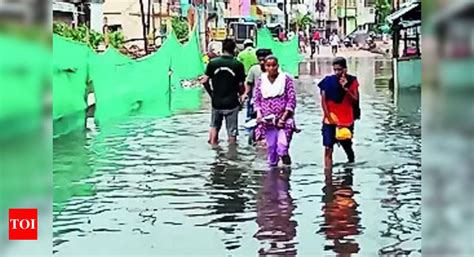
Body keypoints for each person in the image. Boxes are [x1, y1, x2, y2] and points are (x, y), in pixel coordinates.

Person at [254, 56, 299, 166]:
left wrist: (283, 118)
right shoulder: (261, 80)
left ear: (277, 66)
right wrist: (259, 114)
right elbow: (257, 99)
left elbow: (291, 99)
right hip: (267, 122)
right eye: (268, 66)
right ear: (265, 67)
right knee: (271, 149)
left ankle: (287, 169)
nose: (271, 68)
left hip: (283, 120)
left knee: (282, 146)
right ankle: (273, 178)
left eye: (273, 65)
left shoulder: (285, 79)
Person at [200, 39, 246, 145]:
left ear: (222, 48)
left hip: (217, 102)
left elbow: (204, 81)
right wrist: (241, 96)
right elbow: (240, 85)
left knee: (214, 127)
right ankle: (232, 155)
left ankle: (213, 150)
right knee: (232, 132)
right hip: (232, 102)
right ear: (234, 49)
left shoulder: (213, 63)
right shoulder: (238, 65)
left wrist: (211, 94)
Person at [318, 57, 360, 169]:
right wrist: (329, 118)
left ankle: (350, 170)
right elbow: (323, 101)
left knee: (347, 147)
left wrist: (346, 88)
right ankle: (328, 176)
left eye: (340, 69)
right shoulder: (327, 81)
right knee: (328, 148)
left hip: (346, 120)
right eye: (335, 69)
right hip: (330, 119)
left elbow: (355, 99)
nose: (337, 72)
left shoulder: (352, 81)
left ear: (345, 69)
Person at [242, 49, 273, 145]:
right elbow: (249, 83)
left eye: (264, 59)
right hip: (256, 102)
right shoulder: (254, 69)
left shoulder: (274, 70)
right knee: (253, 123)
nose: (262, 62)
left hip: (271, 102)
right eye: (260, 60)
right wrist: (245, 94)